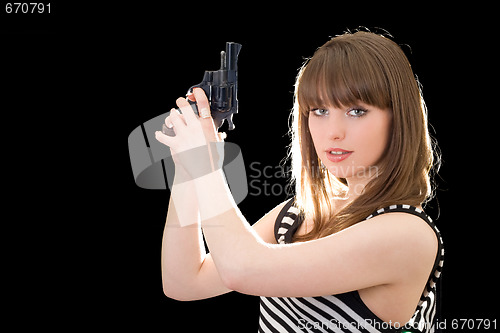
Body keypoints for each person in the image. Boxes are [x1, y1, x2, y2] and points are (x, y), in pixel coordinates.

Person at [155, 31, 444, 333]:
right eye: (319, 110)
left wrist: (205, 164)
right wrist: (187, 169)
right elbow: (184, 282)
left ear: (398, 117)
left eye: (356, 111)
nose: (333, 131)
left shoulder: (408, 233)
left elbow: (240, 269)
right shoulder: (295, 215)